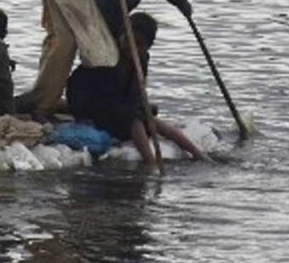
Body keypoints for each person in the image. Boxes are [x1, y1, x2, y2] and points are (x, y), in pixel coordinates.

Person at [66, 12, 205, 164]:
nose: (131, 47)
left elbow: (135, 91)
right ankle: (150, 162)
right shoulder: (109, 57)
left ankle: (197, 154)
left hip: (117, 104)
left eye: (139, 45)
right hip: (94, 104)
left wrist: (140, 105)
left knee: (150, 116)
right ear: (122, 36)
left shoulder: (142, 59)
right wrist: (132, 109)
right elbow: (103, 97)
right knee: (135, 118)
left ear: (147, 47)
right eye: (128, 40)